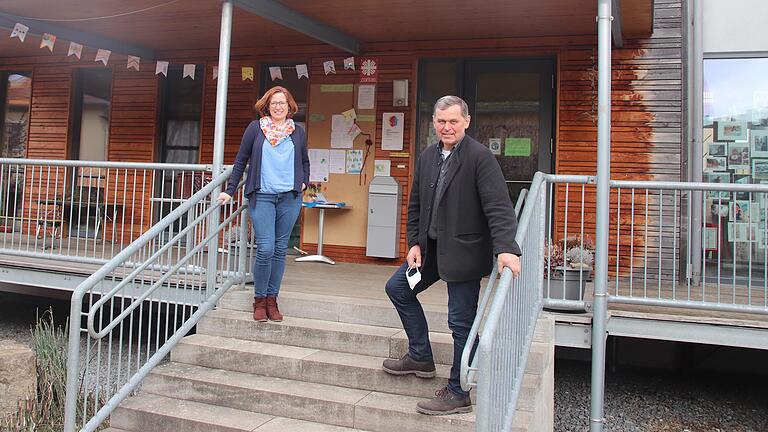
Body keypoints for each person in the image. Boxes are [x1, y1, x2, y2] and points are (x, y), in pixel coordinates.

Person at [382, 95, 521, 415]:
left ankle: (459, 391)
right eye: (441, 121)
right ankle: (420, 355)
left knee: (460, 321)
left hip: (465, 253)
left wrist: (505, 249)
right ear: (434, 122)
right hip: (430, 250)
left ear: (466, 122)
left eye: (453, 121)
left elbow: (499, 208)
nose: (447, 127)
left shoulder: (480, 158)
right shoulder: (428, 156)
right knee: (398, 288)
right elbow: (416, 204)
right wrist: (414, 243)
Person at [218, 86, 309, 323]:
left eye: (283, 103)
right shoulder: (255, 129)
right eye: (274, 103)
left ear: (290, 106)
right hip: (263, 197)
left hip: (290, 198)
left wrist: (304, 182)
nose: (278, 107)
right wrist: (229, 190)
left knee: (280, 251)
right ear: (267, 106)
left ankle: (272, 300)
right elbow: (241, 160)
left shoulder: (297, 132)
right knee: (266, 248)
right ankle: (259, 300)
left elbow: (305, 161)